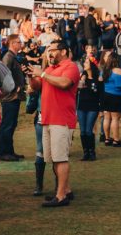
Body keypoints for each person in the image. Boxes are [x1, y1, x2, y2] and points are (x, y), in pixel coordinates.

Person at [26, 38, 80, 207]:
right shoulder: (50, 69)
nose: (49, 53)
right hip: (48, 119)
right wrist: (31, 77)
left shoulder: (70, 67)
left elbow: (64, 83)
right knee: (54, 159)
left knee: (61, 158)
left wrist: (42, 74)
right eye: (47, 51)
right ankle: (66, 190)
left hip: (62, 120)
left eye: (52, 50)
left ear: (63, 51)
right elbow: (36, 87)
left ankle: (61, 195)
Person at [76, 47, 103, 161]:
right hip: (81, 106)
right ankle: (85, 152)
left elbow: (100, 94)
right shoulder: (83, 77)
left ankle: (92, 152)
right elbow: (76, 89)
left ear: (91, 64)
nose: (84, 63)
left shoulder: (98, 78)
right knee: (82, 131)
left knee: (88, 130)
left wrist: (101, 108)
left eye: (87, 62)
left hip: (93, 107)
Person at [100, 52, 121, 147]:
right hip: (115, 96)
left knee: (107, 118)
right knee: (115, 118)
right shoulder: (118, 70)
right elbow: (119, 85)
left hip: (105, 95)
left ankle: (107, 138)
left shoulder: (105, 70)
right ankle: (116, 140)